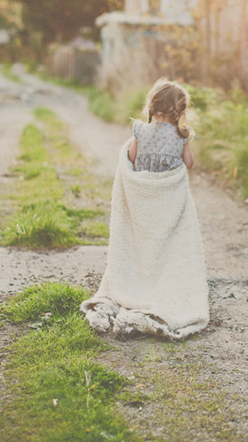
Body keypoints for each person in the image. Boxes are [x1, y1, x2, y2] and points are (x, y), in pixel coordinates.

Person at [80, 78, 209, 340]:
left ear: (151, 107)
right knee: (165, 241)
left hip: (142, 199)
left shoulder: (140, 131)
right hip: (166, 198)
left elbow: (130, 160)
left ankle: (134, 285)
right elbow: (189, 164)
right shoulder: (182, 136)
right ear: (180, 111)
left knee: (142, 237)